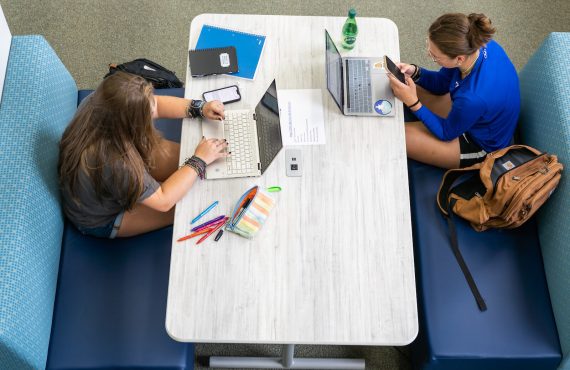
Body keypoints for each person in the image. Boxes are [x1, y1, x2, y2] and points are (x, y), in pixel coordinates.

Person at [58, 72, 228, 238]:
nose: (155, 109)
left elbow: (157, 104)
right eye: (149, 114)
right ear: (133, 126)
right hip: (102, 218)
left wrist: (200, 107)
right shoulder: (117, 163)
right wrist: (199, 160)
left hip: (105, 182)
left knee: (195, 174)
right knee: (193, 197)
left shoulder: (102, 102)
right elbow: (164, 202)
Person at [387, 13, 520, 169]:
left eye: (434, 56)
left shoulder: (472, 98)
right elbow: (441, 84)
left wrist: (413, 102)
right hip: (474, 109)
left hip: (480, 144)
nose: (429, 55)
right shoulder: (476, 44)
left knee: (392, 136)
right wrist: (415, 71)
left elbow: (446, 132)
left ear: (459, 59)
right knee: (398, 81)